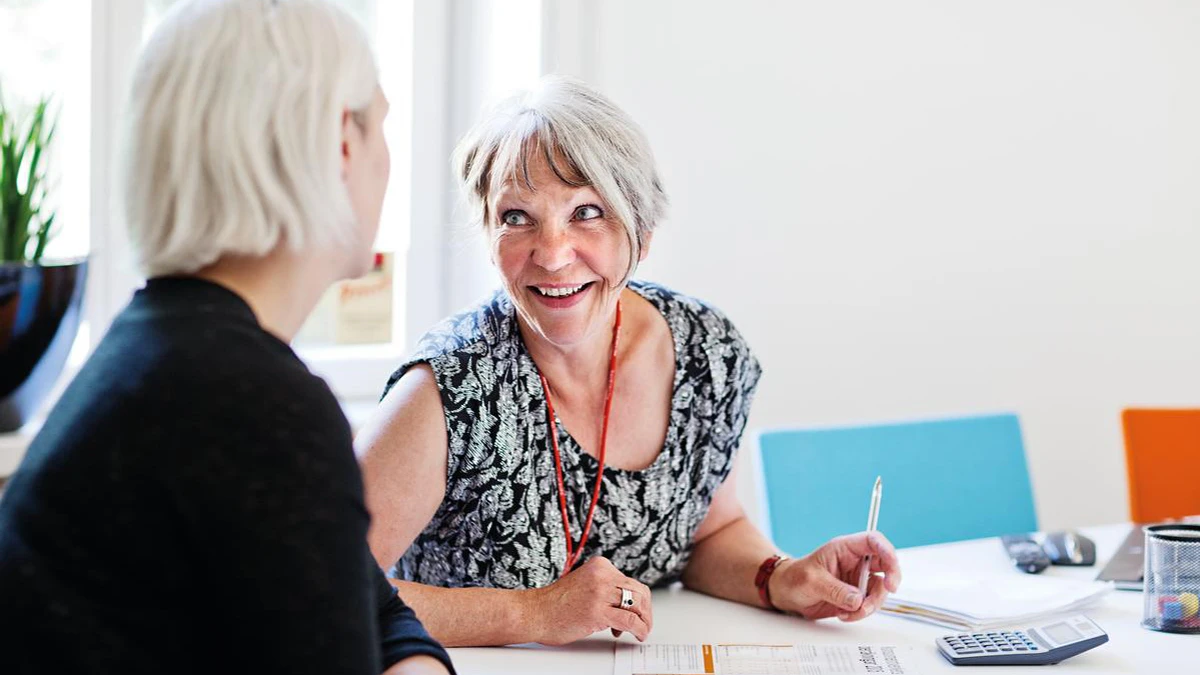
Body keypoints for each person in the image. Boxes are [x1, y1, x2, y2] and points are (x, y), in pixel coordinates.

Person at [355, 75, 902, 647]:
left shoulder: (707, 352)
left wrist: (781, 577)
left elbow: (709, 533)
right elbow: (321, 583)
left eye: (586, 212)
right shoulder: (445, 388)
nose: (553, 254)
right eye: (516, 217)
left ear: (641, 231)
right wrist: (532, 614)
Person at [0, 1, 452, 673]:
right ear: (341, 146)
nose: (390, 161)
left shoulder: (167, 352)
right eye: (381, 125)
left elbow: (377, 610)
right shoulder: (252, 408)